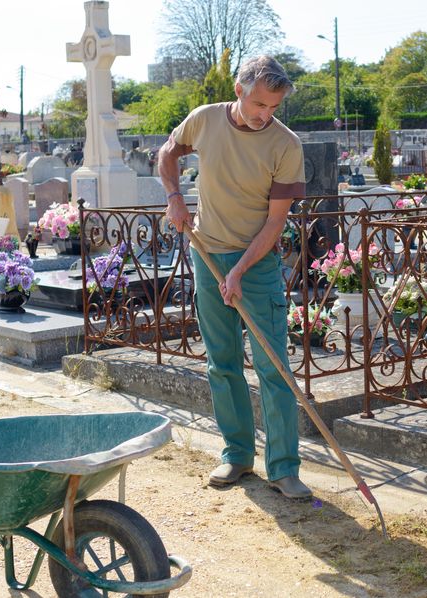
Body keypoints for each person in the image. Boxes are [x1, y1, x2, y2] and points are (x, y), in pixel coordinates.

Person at [157, 56, 310, 499]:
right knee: (221, 363)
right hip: (207, 254)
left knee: (273, 366)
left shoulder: (286, 146)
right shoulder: (205, 120)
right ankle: (237, 456)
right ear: (239, 90)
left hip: (257, 264)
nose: (266, 114)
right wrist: (174, 197)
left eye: (274, 107)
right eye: (260, 104)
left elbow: (275, 224)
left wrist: (240, 270)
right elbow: (167, 151)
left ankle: (283, 468)